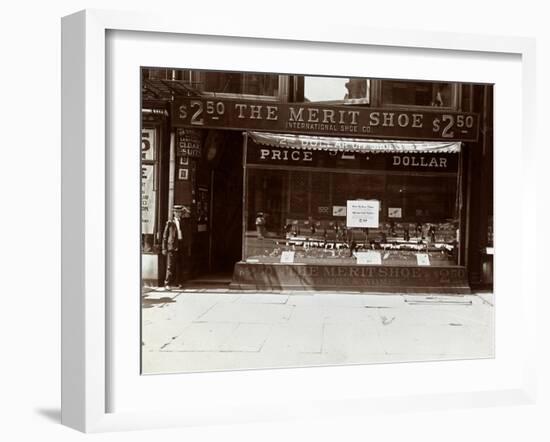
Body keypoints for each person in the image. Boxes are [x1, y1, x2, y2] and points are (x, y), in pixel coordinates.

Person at [162, 206, 184, 289]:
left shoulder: (182, 222)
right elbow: (165, 236)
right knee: (170, 266)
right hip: (171, 246)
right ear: (174, 213)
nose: (178, 214)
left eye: (180, 212)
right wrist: (164, 248)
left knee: (179, 265)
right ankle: (167, 283)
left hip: (180, 245)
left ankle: (177, 283)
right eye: (177, 212)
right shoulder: (170, 222)